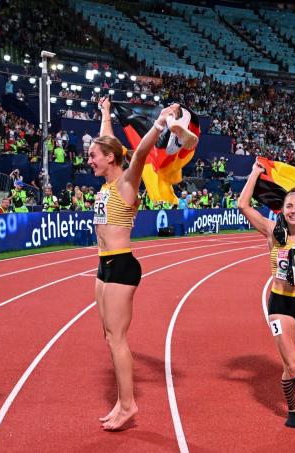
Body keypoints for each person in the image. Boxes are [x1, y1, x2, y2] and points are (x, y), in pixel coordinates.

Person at [91, 98, 182, 431]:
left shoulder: (127, 183)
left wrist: (158, 124)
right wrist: (104, 114)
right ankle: (120, 401)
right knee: (109, 337)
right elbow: (107, 141)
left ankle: (128, 405)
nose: (90, 161)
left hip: (121, 266)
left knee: (117, 339)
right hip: (103, 267)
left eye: (93, 157)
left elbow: (139, 153)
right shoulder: (106, 184)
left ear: (111, 159)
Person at [237, 158, 295, 429]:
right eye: (289, 206)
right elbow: (243, 205)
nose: (293, 210)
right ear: (283, 209)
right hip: (280, 303)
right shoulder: (272, 231)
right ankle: (292, 410)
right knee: (290, 365)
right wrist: (255, 173)